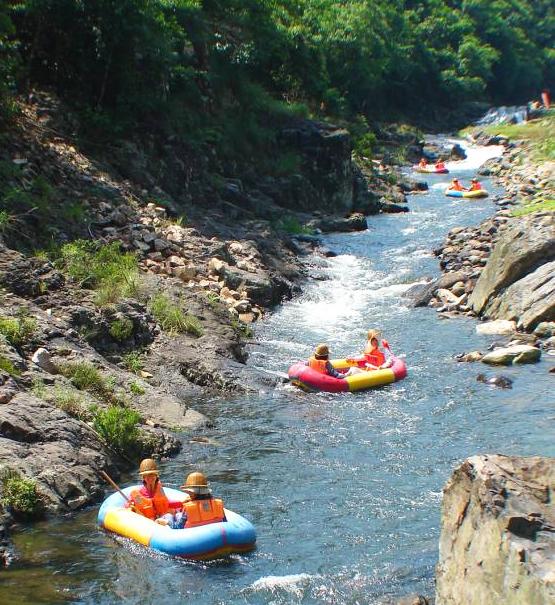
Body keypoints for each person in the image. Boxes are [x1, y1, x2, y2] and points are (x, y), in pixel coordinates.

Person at [126, 458, 180, 526]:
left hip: (163, 518)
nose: (149, 477)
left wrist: (182, 503)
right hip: (150, 524)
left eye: (152, 474)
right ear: (143, 477)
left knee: (170, 516)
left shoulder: (159, 489)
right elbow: (131, 505)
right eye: (146, 475)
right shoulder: (138, 495)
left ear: (156, 475)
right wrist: (130, 508)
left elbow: (166, 503)